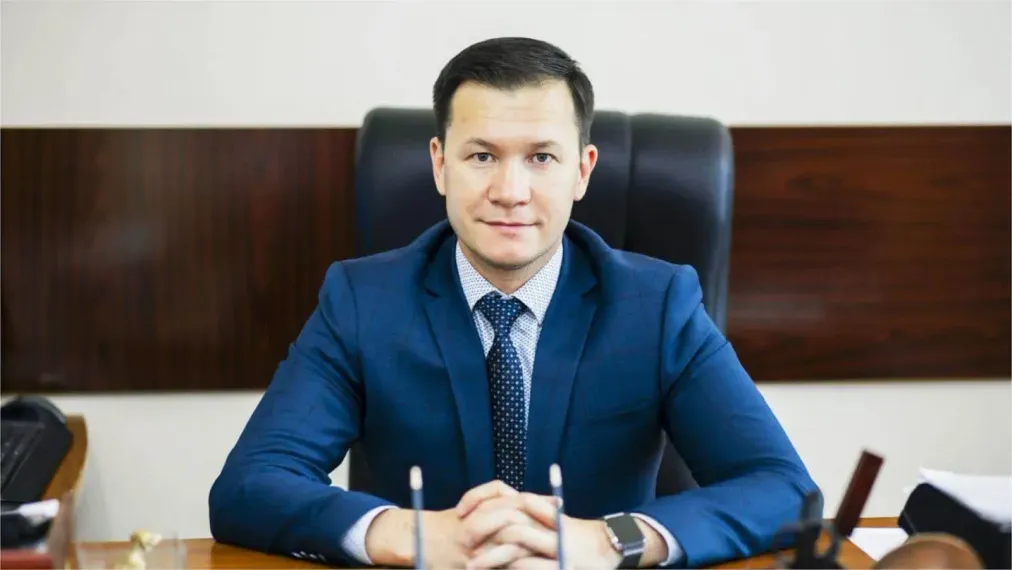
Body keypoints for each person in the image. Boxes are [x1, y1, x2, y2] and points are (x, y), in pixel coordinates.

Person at [208, 36, 820, 569]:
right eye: (482, 156)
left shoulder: (657, 305)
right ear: (440, 165)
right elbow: (249, 486)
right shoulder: (361, 302)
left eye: (541, 157)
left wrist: (610, 541)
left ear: (582, 171)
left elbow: (785, 490)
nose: (510, 191)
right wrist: (408, 535)